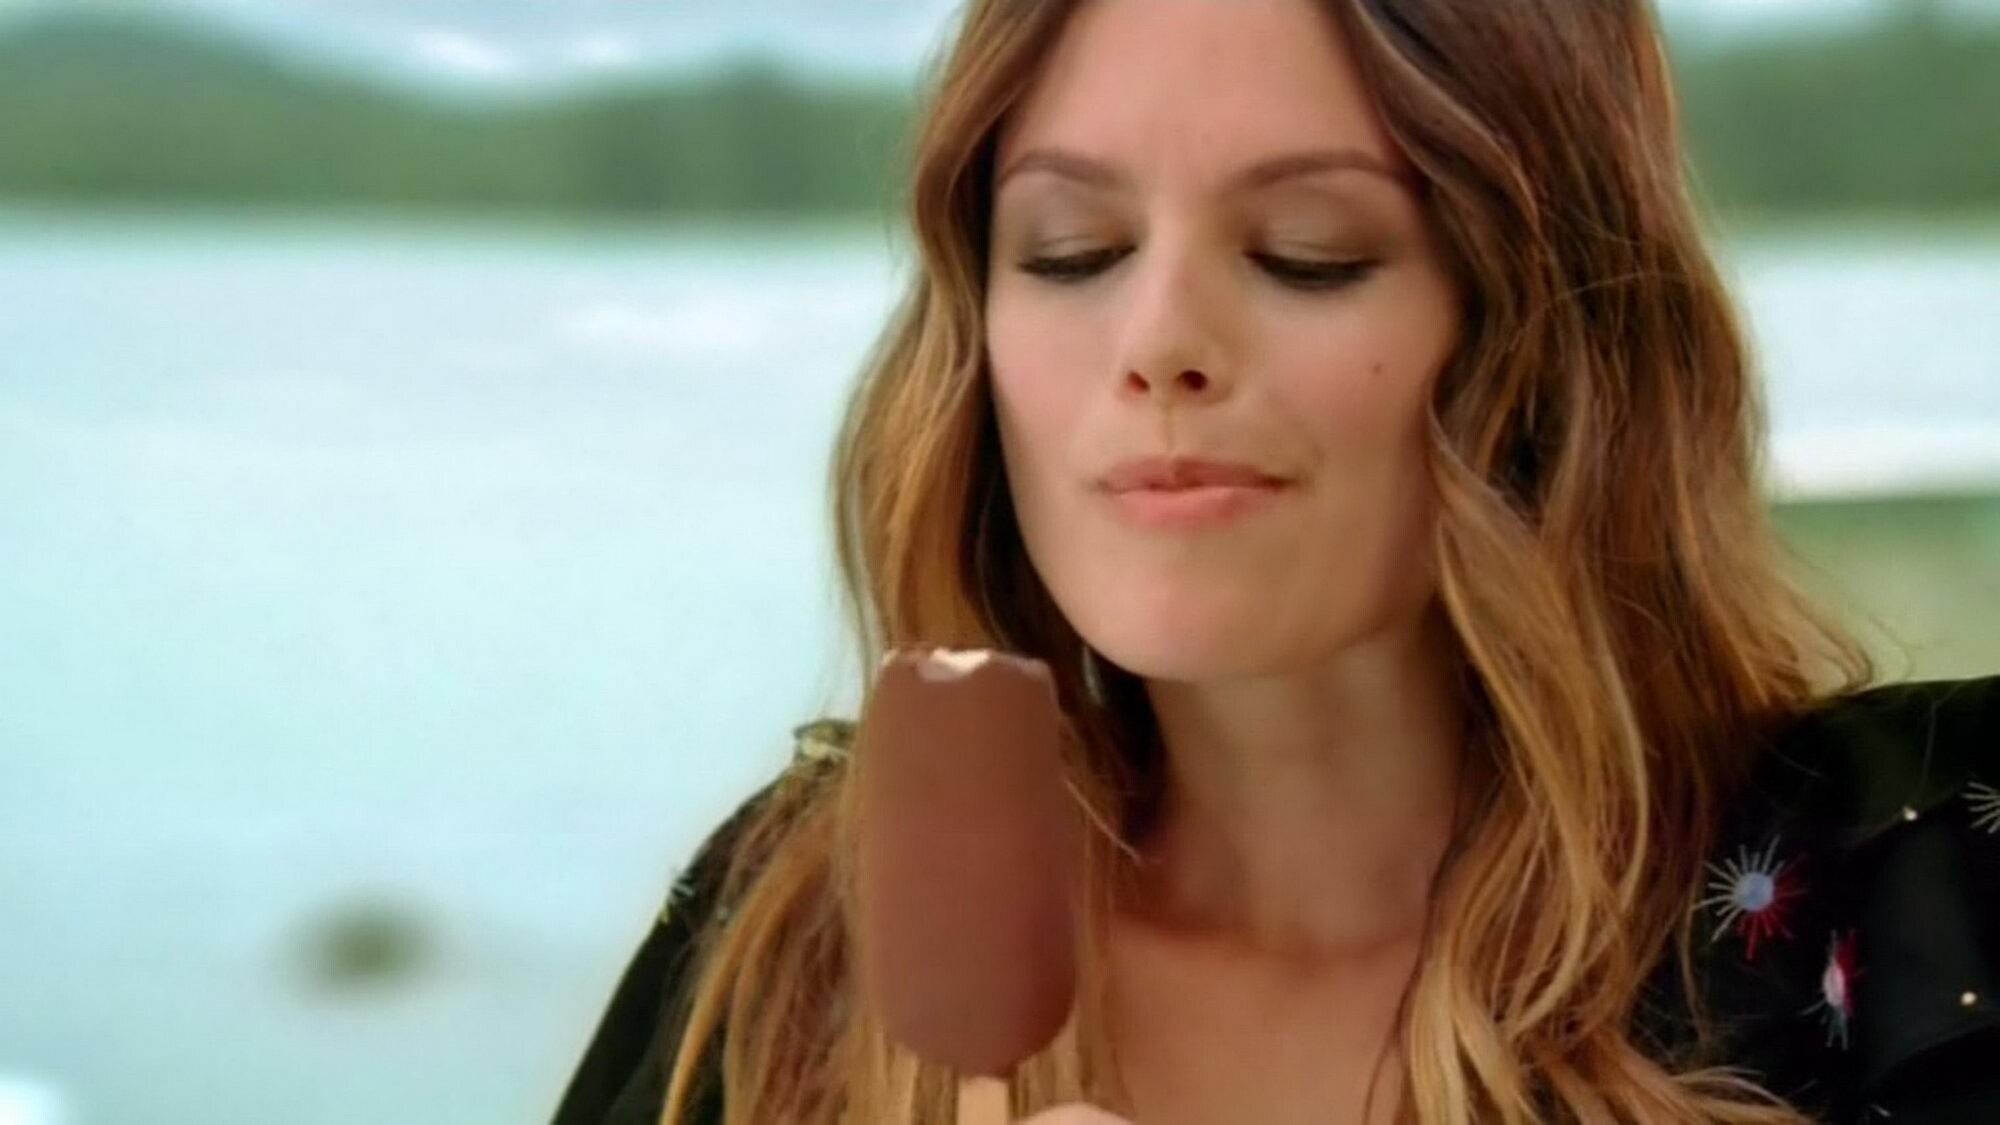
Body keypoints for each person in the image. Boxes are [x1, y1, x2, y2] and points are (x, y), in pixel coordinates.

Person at [551, 0, 2000, 1121]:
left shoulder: (1927, 899)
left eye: (1310, 252)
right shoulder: (794, 937)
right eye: (1069, 250)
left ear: (1553, 344)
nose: (1158, 343)